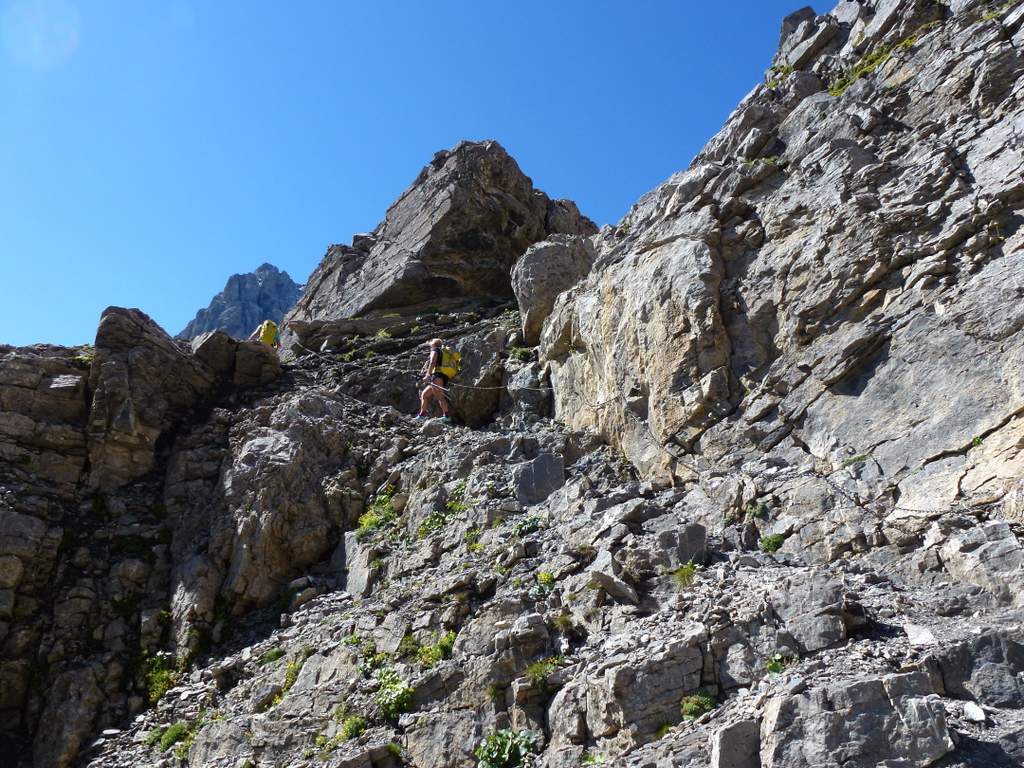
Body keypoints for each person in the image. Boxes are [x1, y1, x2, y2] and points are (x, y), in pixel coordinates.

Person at [416, 338, 451, 421]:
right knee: (424, 395)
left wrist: (428, 374)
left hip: (437, 376)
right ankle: (422, 415)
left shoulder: (435, 350)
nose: (430, 347)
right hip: (441, 376)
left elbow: (432, 361)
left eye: (431, 345)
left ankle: (447, 416)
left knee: (439, 396)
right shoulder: (442, 352)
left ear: (433, 344)